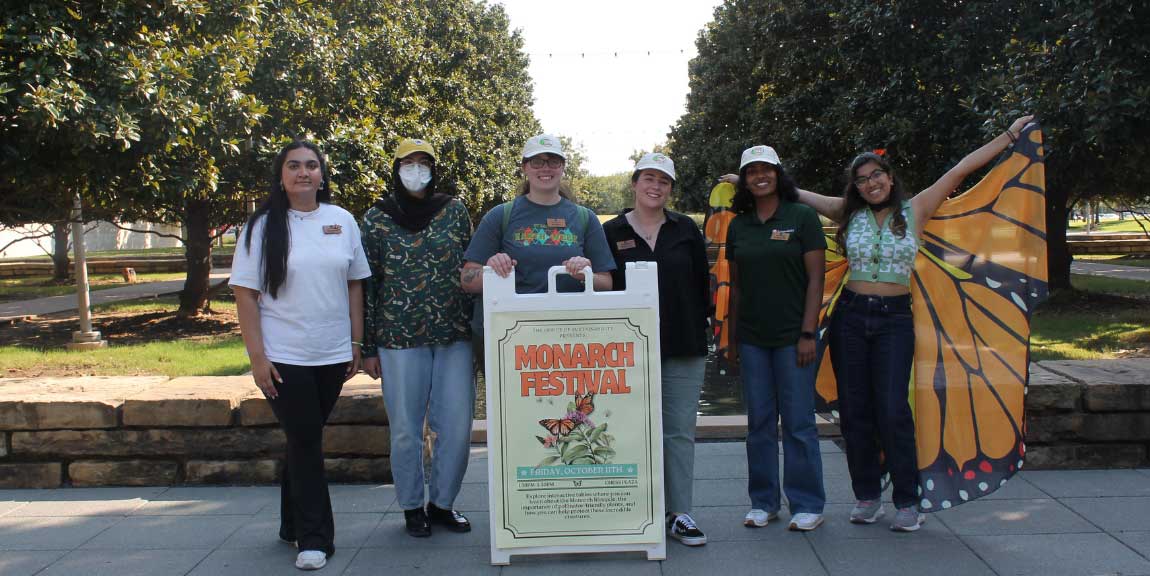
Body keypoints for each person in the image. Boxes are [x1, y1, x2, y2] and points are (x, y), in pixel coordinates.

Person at [795, 115, 1034, 532]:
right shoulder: (847, 213)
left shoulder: (916, 208)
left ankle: (907, 500)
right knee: (855, 412)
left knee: (892, 409)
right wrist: (754, 177)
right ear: (856, 187)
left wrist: (1009, 136)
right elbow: (798, 194)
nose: (871, 184)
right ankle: (867, 496)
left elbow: (961, 169)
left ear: (889, 177)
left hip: (894, 321)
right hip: (851, 317)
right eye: (862, 180)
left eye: (876, 176)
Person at [231, 140, 371, 571]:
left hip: (332, 356)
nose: (303, 172)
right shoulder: (260, 227)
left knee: (301, 438)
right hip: (284, 357)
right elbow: (245, 294)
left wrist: (355, 343)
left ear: (322, 175)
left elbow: (354, 284)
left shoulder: (341, 221)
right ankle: (314, 539)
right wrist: (258, 358)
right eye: (294, 166)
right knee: (308, 441)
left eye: (311, 165)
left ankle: (290, 522)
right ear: (281, 175)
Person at [360, 138, 475, 538]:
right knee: (407, 429)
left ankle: (442, 503)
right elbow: (368, 284)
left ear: (434, 169)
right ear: (395, 168)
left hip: (453, 334)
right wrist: (367, 347)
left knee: (457, 426)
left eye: (423, 162)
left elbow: (471, 268)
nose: (415, 169)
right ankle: (412, 507)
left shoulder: (455, 211)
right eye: (407, 163)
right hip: (397, 337)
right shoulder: (376, 218)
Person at [602, 153, 711, 546]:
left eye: (664, 181)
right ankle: (634, 512)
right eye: (649, 178)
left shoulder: (685, 229)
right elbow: (602, 285)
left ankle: (679, 513)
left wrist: (707, 332)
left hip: (683, 344)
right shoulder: (611, 231)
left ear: (670, 189)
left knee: (678, 432)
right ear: (634, 183)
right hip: (625, 350)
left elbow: (703, 286)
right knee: (625, 430)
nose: (656, 186)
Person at [725, 145, 827, 532]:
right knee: (759, 424)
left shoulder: (802, 217)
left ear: (778, 174)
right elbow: (735, 286)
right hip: (752, 338)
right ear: (745, 180)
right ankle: (764, 502)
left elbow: (816, 279)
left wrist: (807, 332)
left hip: (792, 338)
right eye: (751, 172)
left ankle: (807, 503)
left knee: (799, 422)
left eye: (766, 169)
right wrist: (732, 340)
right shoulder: (740, 224)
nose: (759, 176)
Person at [460, 133, 614, 296]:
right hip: (512, 319)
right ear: (524, 167)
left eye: (553, 161)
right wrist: (490, 271)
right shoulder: (499, 215)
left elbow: (606, 283)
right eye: (536, 162)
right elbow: (467, 280)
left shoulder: (586, 218)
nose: (545, 168)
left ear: (562, 167)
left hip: (569, 319)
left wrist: (585, 275)